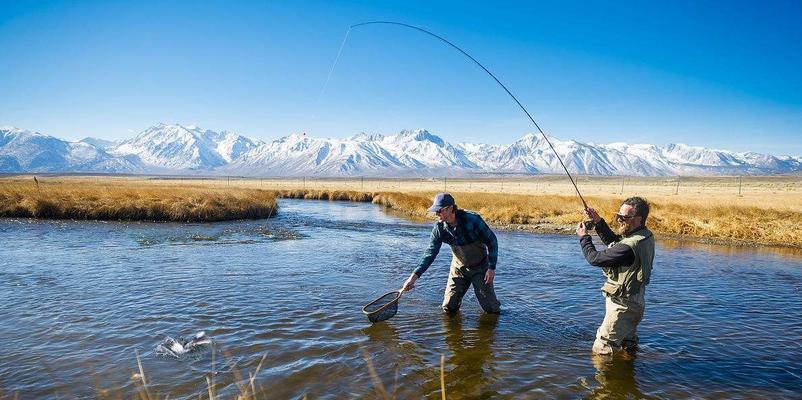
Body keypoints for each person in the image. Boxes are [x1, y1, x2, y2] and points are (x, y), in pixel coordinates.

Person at [576, 196, 655, 355]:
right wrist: (598, 221)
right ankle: (627, 376)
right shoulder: (645, 235)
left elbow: (595, 259)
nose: (619, 220)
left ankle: (604, 380)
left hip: (622, 306)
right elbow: (616, 243)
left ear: (638, 219)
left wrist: (584, 237)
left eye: (624, 217)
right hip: (636, 301)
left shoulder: (629, 246)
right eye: (618, 215)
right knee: (628, 347)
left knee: (602, 349)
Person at [402, 193, 501, 314]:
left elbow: (492, 241)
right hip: (459, 268)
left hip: (481, 268)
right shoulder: (439, 228)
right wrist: (413, 278)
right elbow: (430, 253)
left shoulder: (472, 220)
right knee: (449, 308)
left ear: (450, 208)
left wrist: (491, 268)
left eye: (439, 210)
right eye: (435, 211)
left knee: (491, 310)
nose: (436, 214)